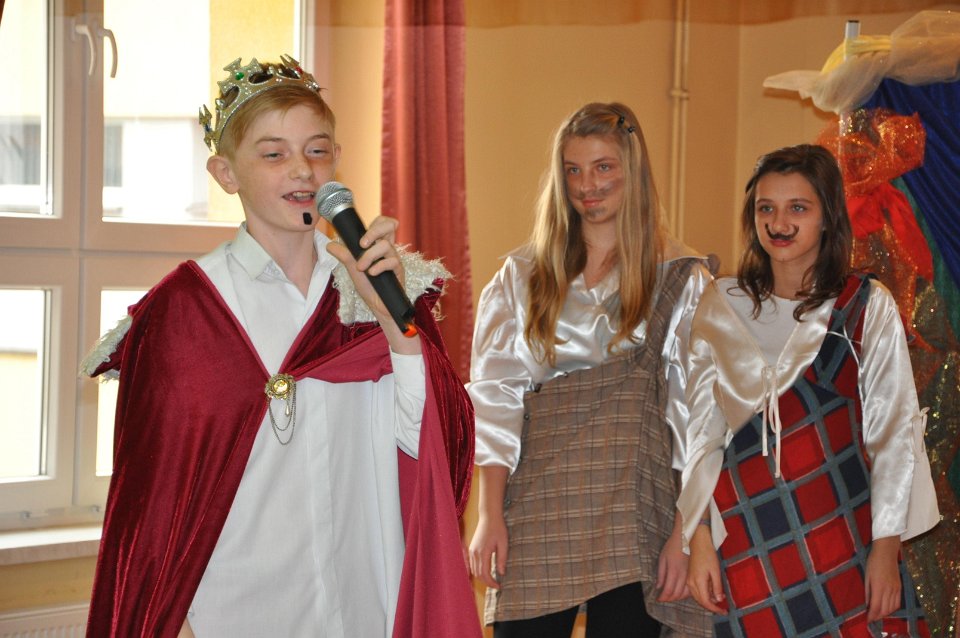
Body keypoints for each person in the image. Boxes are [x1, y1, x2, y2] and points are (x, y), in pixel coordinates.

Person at [80, 55, 479, 638]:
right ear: (226, 173)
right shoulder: (188, 312)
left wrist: (392, 320)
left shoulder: (376, 286)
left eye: (317, 150)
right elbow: (153, 507)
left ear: (337, 159)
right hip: (245, 612)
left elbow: (428, 442)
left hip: (368, 605)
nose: (302, 170)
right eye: (274, 154)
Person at [467, 102, 714, 637]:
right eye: (573, 170)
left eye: (603, 167)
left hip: (636, 503)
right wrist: (489, 514)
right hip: (538, 498)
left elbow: (696, 417)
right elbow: (495, 396)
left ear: (633, 171)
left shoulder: (680, 276)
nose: (587, 185)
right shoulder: (521, 274)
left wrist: (685, 532)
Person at [677, 144, 940, 637]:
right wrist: (700, 538)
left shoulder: (866, 305)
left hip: (844, 534)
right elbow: (700, 434)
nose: (779, 222)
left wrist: (886, 548)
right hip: (749, 542)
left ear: (827, 218)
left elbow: (894, 434)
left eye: (798, 207)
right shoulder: (720, 304)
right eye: (766, 208)